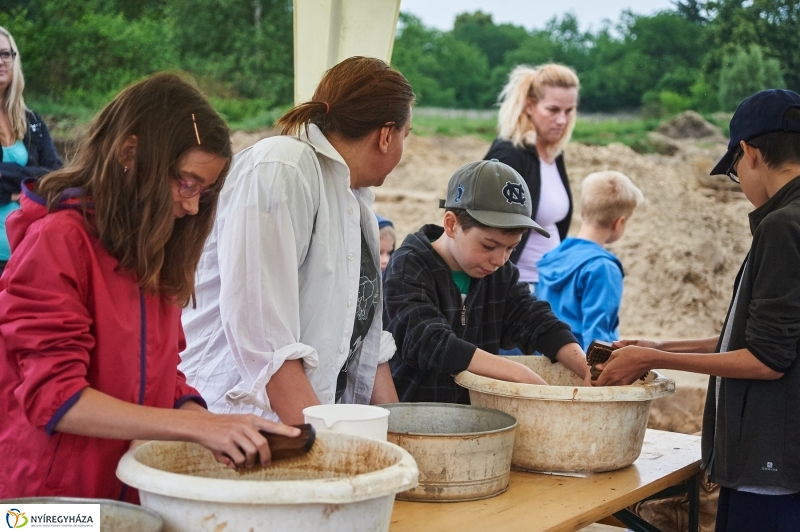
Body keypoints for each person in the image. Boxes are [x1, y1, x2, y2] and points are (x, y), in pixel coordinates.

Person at [0, 73, 299, 503]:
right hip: (41, 509)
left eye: (206, 192)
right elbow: (55, 397)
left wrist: (210, 421)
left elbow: (163, 377)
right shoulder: (58, 242)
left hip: (127, 493)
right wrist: (199, 426)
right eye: (188, 183)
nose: (193, 205)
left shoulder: (152, 248)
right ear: (130, 153)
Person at [594, 89, 800, 531]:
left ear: (748, 153)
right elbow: (758, 336)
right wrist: (659, 344)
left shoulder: (783, 226)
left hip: (771, 468)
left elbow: (767, 359)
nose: (740, 183)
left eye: (734, 171)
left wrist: (652, 359)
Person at [181, 57, 414, 424]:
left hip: (306, 425)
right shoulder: (282, 168)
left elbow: (368, 345)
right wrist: (321, 447)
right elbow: (263, 333)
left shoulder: (359, 210)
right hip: (239, 426)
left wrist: (402, 435)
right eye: (407, 134)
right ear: (386, 136)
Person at [384, 159, 591, 403]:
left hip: (478, 420)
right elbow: (429, 341)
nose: (500, 260)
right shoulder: (408, 266)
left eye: (511, 248)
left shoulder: (500, 275)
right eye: (489, 245)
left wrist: (587, 369)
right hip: (414, 418)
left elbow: (536, 320)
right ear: (451, 224)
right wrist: (517, 373)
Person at [484, 64, 579, 292]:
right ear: (529, 105)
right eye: (553, 110)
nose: (562, 120)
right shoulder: (510, 154)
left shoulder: (554, 153)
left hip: (549, 284)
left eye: (569, 111)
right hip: (517, 287)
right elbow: (484, 225)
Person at [536, 171, 644, 350]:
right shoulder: (603, 268)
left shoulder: (551, 256)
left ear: (583, 211)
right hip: (581, 366)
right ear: (619, 222)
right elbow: (597, 335)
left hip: (548, 359)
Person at [0, 27, 62, 273]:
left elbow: (56, 174)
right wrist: (27, 186)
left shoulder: (32, 121)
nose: (1, 61)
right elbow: (41, 177)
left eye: (6, 54)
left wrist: (9, 178)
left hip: (26, 255)